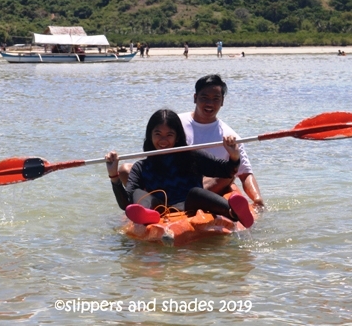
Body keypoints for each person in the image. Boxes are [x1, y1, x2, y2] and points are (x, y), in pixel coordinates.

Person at [105, 109, 254, 227]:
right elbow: (126, 205)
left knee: (197, 193)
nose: (163, 140)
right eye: (158, 134)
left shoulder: (191, 155)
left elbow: (226, 171)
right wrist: (114, 176)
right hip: (159, 210)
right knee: (137, 193)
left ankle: (233, 212)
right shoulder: (141, 167)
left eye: (169, 134)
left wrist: (234, 156)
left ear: (177, 137)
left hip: (190, 206)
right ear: (150, 136)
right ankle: (148, 216)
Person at [178, 75, 264, 206]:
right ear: (195, 98)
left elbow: (245, 173)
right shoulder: (175, 124)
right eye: (204, 98)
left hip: (209, 187)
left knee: (228, 177)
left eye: (216, 99)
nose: (210, 104)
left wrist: (257, 199)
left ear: (222, 101)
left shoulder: (230, 136)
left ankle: (230, 210)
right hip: (175, 182)